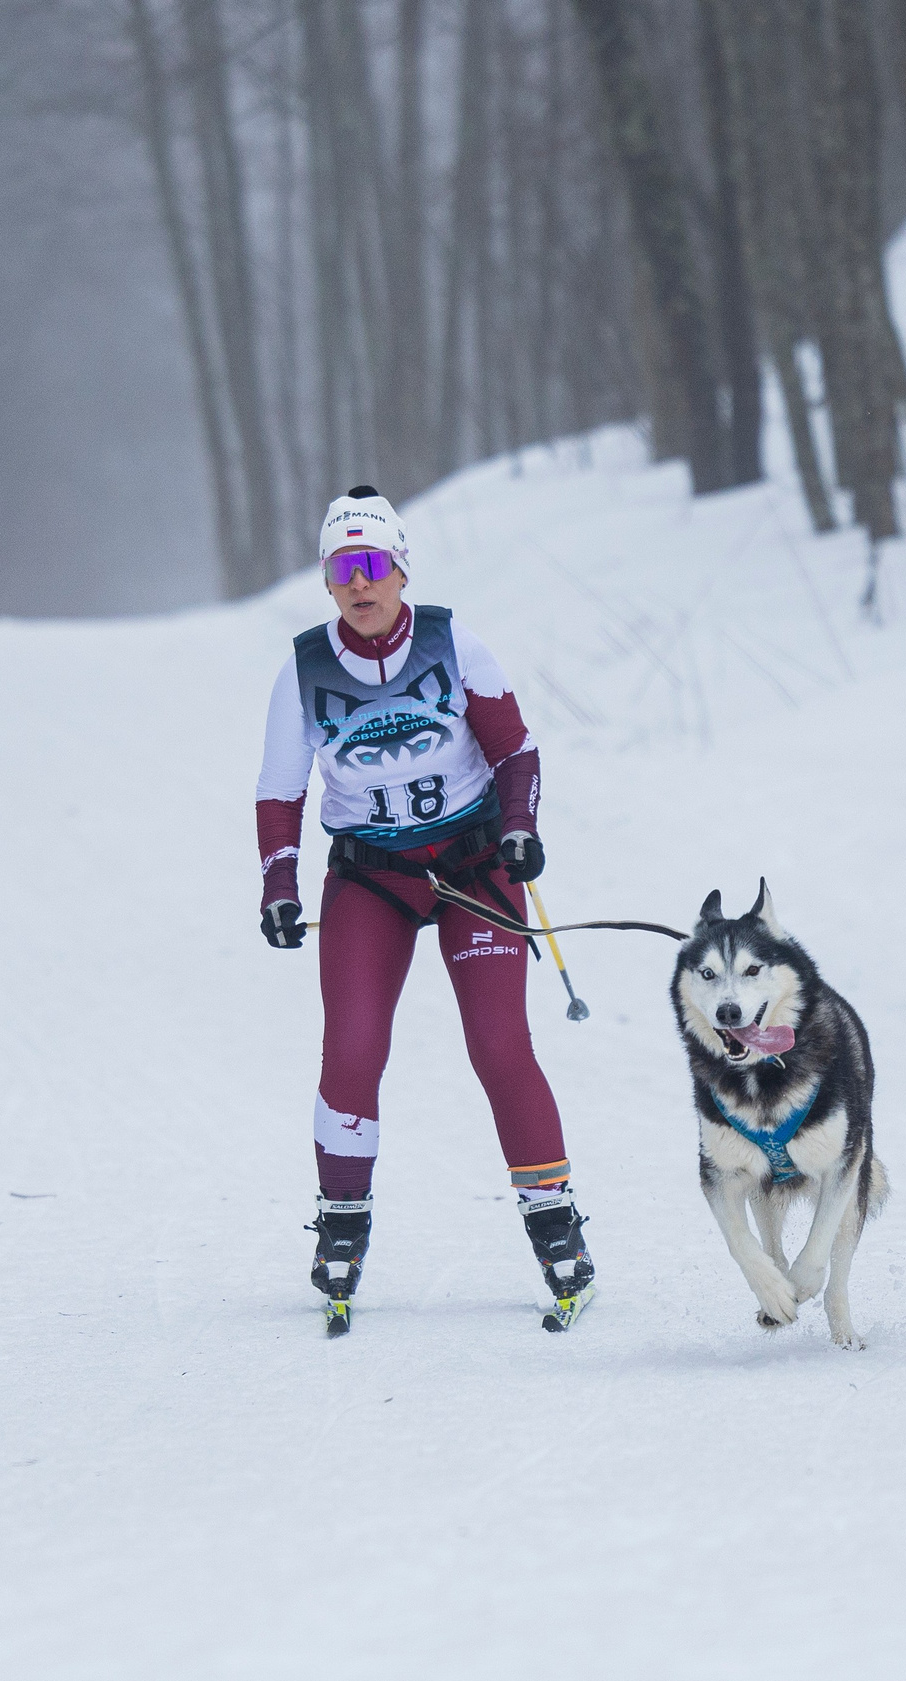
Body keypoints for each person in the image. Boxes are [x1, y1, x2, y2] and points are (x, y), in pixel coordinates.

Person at [254, 485, 592, 1331]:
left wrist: (520, 828)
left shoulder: (453, 643)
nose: (359, 584)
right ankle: (340, 1227)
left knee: (499, 1044)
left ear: (401, 569)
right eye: (342, 569)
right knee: (355, 1047)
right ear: (328, 583)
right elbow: (278, 792)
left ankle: (557, 1226)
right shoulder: (304, 669)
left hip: (475, 866)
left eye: (373, 565)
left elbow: (515, 750)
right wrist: (279, 887)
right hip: (372, 878)